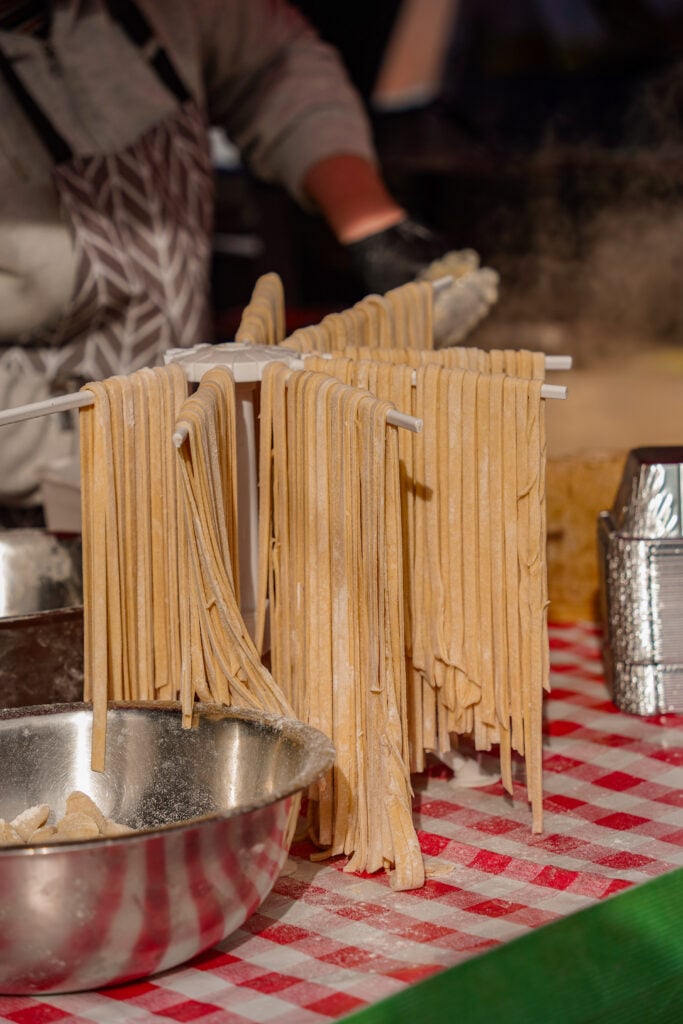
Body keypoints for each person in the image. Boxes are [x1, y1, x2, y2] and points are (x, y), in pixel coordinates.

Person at [0, 0, 493, 517]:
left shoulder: (160, 12)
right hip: (41, 494)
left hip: (197, 451)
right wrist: (134, 441)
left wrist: (370, 224)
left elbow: (274, 64)